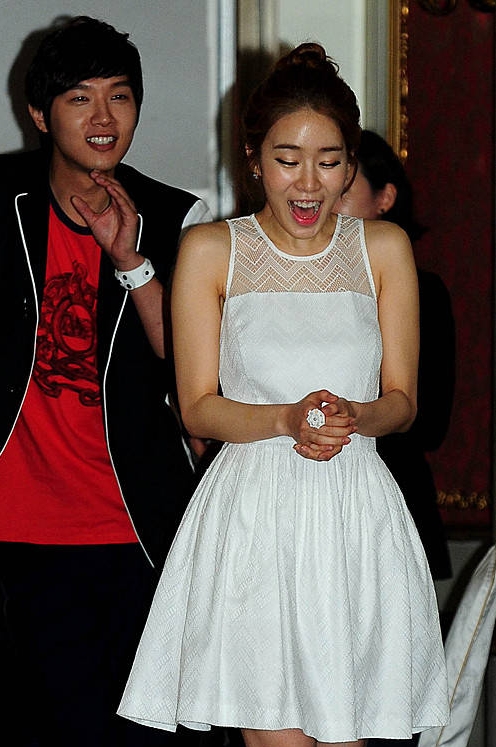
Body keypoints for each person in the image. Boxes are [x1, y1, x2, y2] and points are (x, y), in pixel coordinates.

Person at [118, 44, 449, 746]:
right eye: (287, 159)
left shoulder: (383, 247)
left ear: (351, 166)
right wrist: (287, 419)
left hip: (355, 509)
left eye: (328, 161)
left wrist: (358, 415)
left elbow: (403, 401)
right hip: (254, 513)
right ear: (254, 158)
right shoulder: (211, 249)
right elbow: (199, 405)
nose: (308, 183)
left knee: (350, 731)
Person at [0, 15, 211, 747]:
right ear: (39, 113)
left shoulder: (176, 218)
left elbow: (194, 373)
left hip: (134, 526)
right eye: (79, 97)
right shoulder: (4, 202)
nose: (102, 117)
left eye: (119, 96)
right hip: (18, 531)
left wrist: (131, 262)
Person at [334, 129, 455, 583]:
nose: (324, 199)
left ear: (385, 198)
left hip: (389, 491)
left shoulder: (423, 290)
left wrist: (350, 415)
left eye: (344, 189)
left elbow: (430, 421)